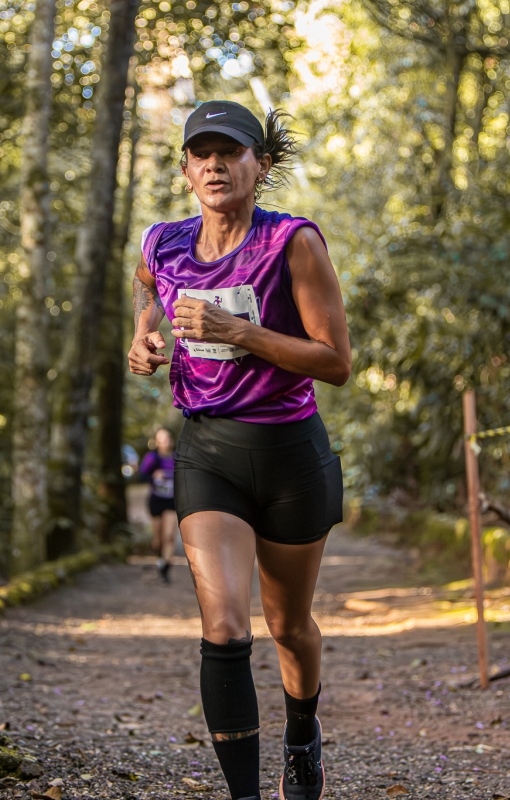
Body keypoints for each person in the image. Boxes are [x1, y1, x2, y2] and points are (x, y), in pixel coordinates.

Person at [128, 100, 350, 800]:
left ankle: (302, 735)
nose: (216, 165)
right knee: (224, 628)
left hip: (289, 455)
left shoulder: (292, 242)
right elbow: (146, 285)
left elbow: (336, 362)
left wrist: (238, 330)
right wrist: (143, 333)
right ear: (186, 169)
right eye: (202, 154)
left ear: (262, 164)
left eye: (231, 152)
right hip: (209, 453)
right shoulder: (162, 242)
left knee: (288, 625)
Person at [140, 427, 178, 583]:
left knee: (169, 535)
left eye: (167, 439)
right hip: (156, 500)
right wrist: (154, 474)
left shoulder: (177, 457)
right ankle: (160, 559)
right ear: (156, 442)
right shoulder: (152, 458)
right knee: (158, 539)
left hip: (171, 500)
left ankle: (165, 568)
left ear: (171, 441)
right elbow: (141, 475)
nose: (165, 443)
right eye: (161, 440)